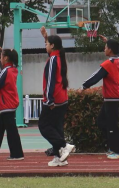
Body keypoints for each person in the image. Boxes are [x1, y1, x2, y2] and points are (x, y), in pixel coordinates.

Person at [82, 35, 119, 160]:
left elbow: (96, 76)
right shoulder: (118, 60)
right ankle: (113, 146)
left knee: (112, 125)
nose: (104, 49)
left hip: (112, 97)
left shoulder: (109, 63)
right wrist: (108, 40)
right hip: (113, 96)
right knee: (102, 122)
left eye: (106, 47)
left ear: (110, 50)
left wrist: (84, 85)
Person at [39, 27, 74, 167]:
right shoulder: (59, 56)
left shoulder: (54, 59)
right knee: (57, 127)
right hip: (62, 98)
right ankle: (59, 157)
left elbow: (50, 81)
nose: (45, 46)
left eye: (46, 44)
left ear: (52, 46)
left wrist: (49, 99)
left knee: (43, 126)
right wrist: (46, 37)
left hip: (55, 99)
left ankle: (64, 146)